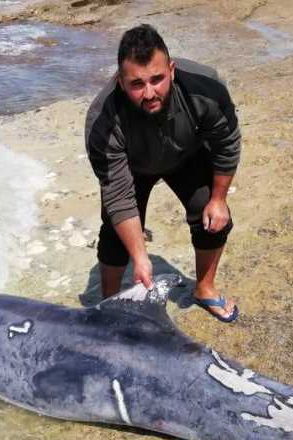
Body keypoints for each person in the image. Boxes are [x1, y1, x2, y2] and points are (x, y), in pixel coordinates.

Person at [84, 24, 242, 322]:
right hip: (132, 168)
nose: (149, 92)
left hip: (186, 155)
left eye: (157, 79)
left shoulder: (205, 87)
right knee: (115, 236)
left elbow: (227, 142)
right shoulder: (102, 121)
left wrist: (219, 198)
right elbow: (117, 195)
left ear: (172, 69)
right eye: (136, 84)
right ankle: (109, 308)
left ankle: (205, 288)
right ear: (120, 81)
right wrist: (140, 257)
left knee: (214, 219)